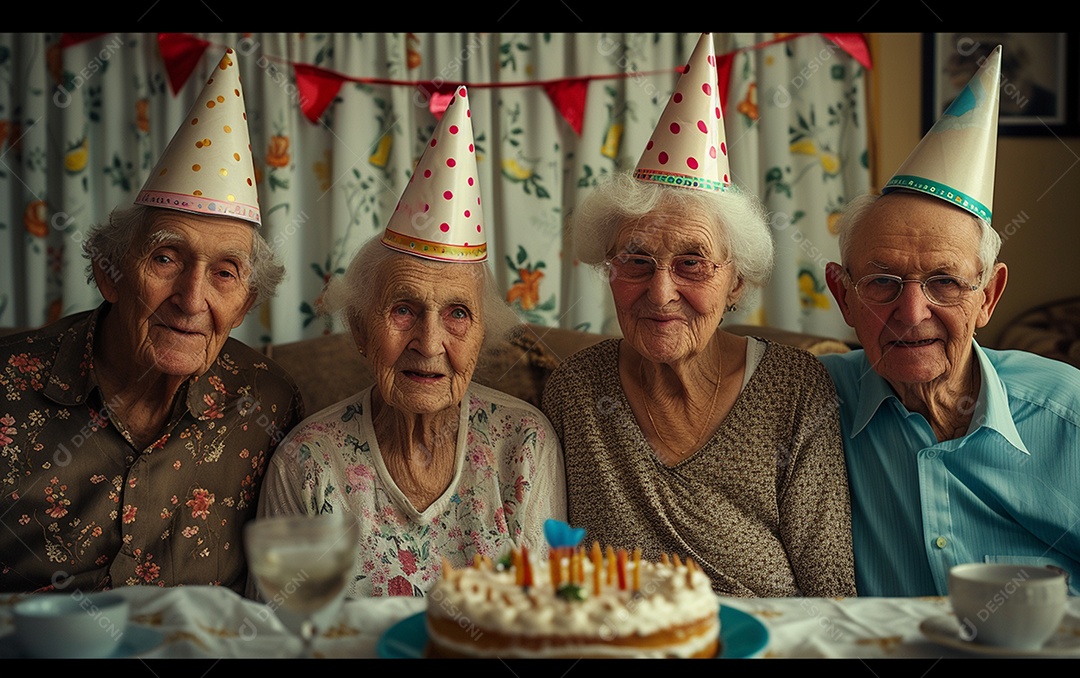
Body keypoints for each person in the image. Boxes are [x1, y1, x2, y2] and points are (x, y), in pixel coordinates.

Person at [541, 34, 856, 598]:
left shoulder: (794, 388)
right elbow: (555, 576)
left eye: (693, 263)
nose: (660, 294)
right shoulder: (575, 393)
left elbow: (830, 590)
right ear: (608, 270)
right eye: (636, 261)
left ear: (736, 280)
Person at [0, 49, 303, 594]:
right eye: (165, 258)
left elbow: (286, 596)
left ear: (245, 305)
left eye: (225, 274)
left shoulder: (270, 403)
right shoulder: (6, 385)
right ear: (110, 274)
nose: (191, 300)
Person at [256, 86, 566, 598]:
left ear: (482, 335)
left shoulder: (524, 445)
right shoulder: (307, 463)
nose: (429, 341)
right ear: (360, 329)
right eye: (403, 309)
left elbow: (550, 620)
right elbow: (283, 638)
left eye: (457, 314)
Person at [821, 45, 1080, 596]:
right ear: (843, 295)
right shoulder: (810, 410)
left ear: (988, 296)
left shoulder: (1069, 417)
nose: (912, 314)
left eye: (944, 282)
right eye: (882, 282)